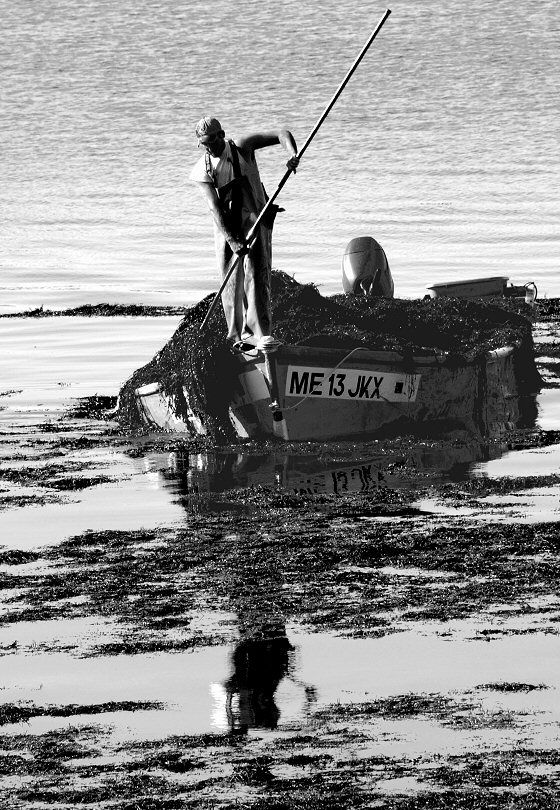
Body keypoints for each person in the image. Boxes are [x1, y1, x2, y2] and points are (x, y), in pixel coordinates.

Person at [189, 116, 299, 349]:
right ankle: (235, 337)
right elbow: (214, 207)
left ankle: (261, 334)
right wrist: (232, 239)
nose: (211, 147)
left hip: (256, 219)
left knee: (258, 275)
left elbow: (282, 133)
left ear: (222, 134)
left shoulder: (242, 147)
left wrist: (292, 155)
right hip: (226, 228)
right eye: (205, 143)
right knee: (231, 282)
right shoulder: (202, 170)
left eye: (214, 140)